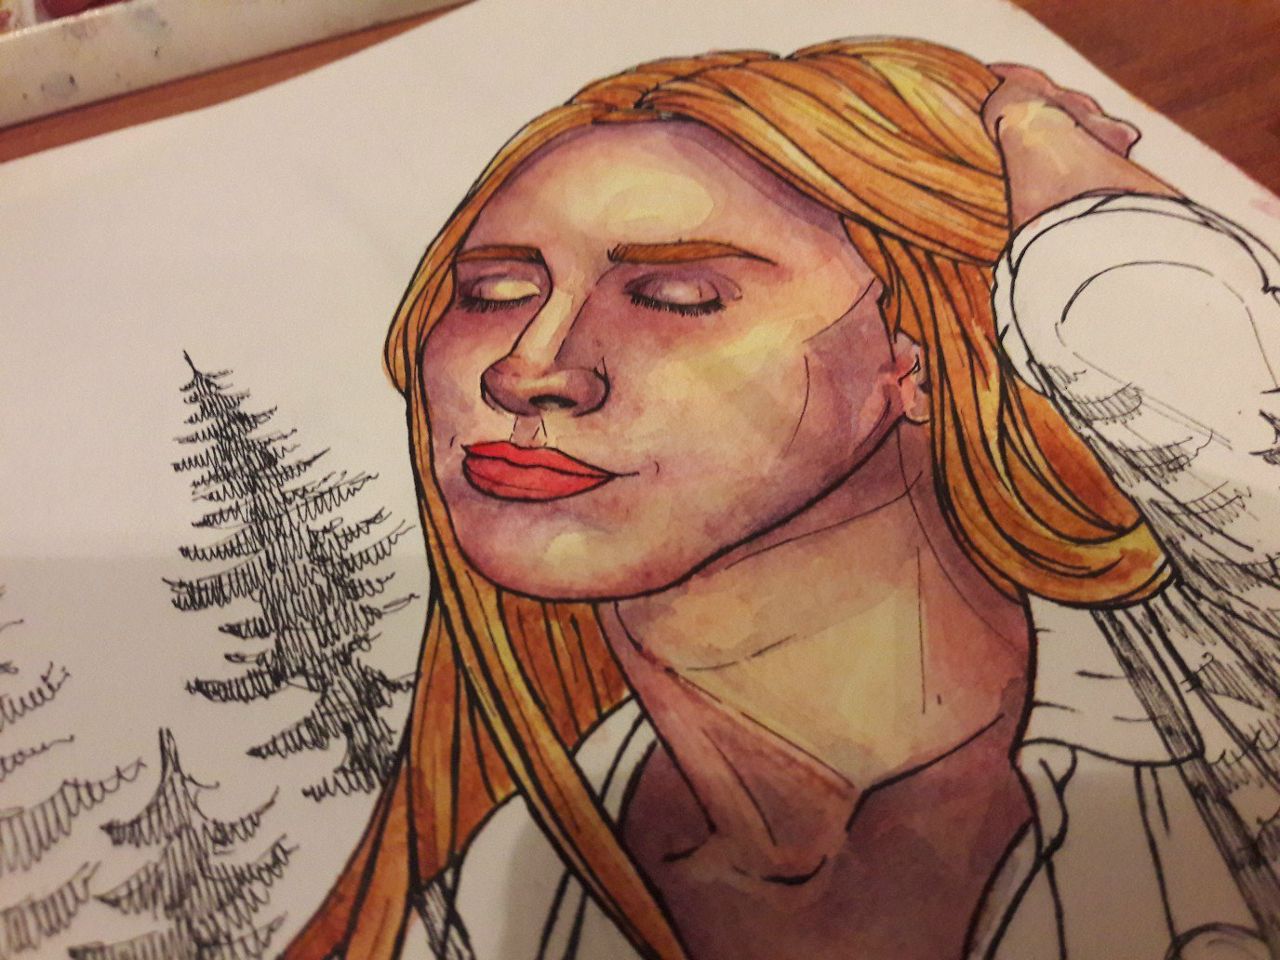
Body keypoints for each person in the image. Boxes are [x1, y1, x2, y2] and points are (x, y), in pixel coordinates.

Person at [284, 38, 1280, 960]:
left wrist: (1044, 148)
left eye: (675, 299)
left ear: (920, 355)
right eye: (491, 293)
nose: (526, 367)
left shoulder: (1226, 689)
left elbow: (1208, 371)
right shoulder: (487, 905)